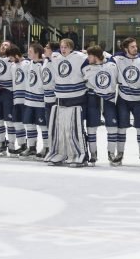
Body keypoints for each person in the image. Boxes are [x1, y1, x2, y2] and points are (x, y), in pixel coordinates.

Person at [46, 38, 88, 166]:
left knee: (74, 128)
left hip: (76, 97)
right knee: (61, 127)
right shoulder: (56, 57)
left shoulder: (80, 57)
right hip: (60, 98)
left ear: (71, 47)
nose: (63, 49)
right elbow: (47, 55)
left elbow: (90, 67)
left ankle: (79, 155)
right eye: (61, 47)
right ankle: (61, 153)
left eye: (65, 47)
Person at [113, 38, 140, 166]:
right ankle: (120, 153)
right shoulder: (118, 59)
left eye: (136, 46)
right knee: (121, 128)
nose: (136, 48)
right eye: (132, 47)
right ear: (125, 48)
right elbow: (103, 57)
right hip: (123, 99)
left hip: (139, 100)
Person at [82, 44, 117, 165]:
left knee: (112, 128)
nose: (87, 59)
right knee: (91, 128)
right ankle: (93, 154)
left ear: (95, 56)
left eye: (89, 56)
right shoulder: (86, 68)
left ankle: (111, 153)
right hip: (92, 99)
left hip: (109, 99)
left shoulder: (112, 65)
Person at [20, 43, 47, 159]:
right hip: (28, 100)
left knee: (43, 126)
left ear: (37, 53)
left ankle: (46, 147)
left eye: (30, 51)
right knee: (29, 124)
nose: (28, 53)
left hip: (40, 101)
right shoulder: (29, 64)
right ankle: (31, 147)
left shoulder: (43, 65)